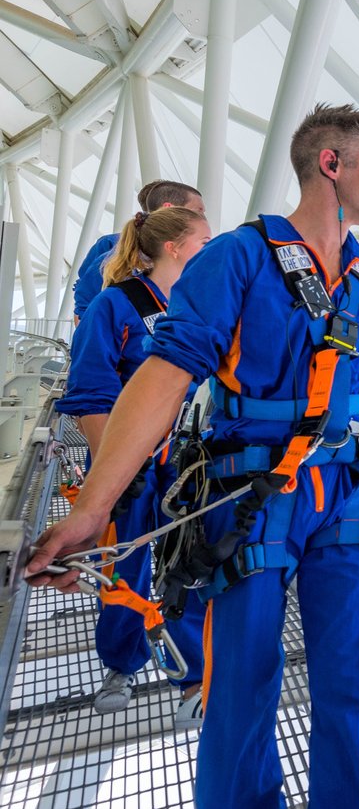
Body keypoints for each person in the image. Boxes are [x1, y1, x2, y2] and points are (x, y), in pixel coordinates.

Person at [27, 103, 359, 809]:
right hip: (247, 499)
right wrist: (92, 509)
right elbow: (167, 372)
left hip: (346, 494)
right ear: (331, 167)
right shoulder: (238, 259)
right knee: (241, 682)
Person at [53, 205, 212, 719]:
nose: (213, 250)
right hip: (134, 464)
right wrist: (110, 472)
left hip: (185, 459)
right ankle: (122, 661)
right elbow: (91, 393)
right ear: (174, 247)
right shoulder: (113, 307)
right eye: (203, 241)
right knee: (124, 560)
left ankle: (194, 678)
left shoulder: (199, 306)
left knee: (187, 558)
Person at [72, 180, 205, 323]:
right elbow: (84, 307)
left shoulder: (189, 261)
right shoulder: (112, 251)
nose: (202, 217)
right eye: (198, 211)